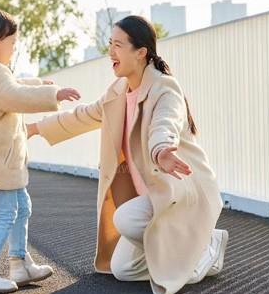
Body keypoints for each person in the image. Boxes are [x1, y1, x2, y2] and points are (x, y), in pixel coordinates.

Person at [27, 15, 228, 294]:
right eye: (111, 43)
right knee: (123, 270)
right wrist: (35, 128)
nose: (111, 51)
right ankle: (178, 252)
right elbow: (84, 115)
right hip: (152, 196)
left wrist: (161, 150)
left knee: (128, 221)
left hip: (177, 192)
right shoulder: (119, 90)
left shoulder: (165, 88)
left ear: (141, 52)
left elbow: (165, 124)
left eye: (119, 45)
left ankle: (206, 247)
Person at [0, 7, 81, 293]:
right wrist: (53, 94)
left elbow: (14, 86)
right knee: (5, 213)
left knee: (22, 207)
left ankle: (19, 263)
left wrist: (41, 84)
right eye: (13, 43)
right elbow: (14, 95)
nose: (14, 49)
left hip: (2, 160)